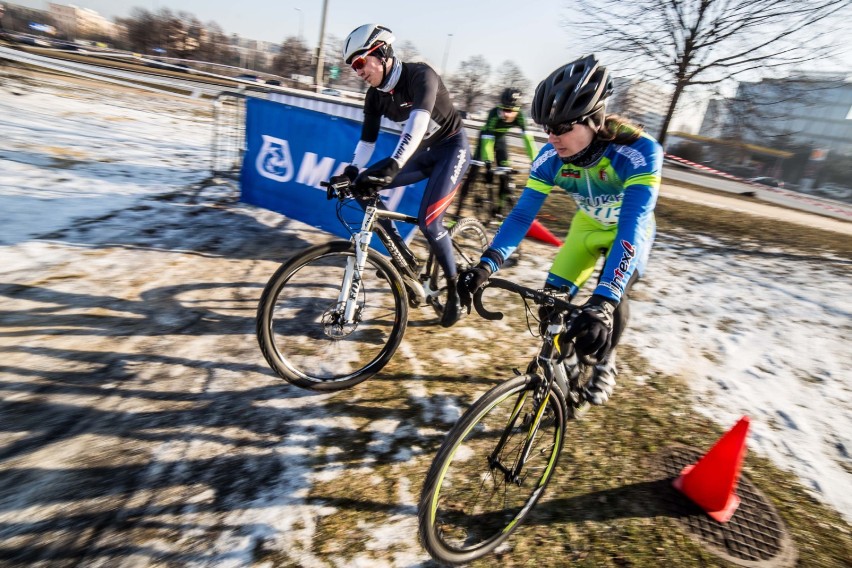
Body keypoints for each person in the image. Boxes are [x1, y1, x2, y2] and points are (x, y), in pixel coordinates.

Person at [457, 55, 663, 405]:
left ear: (593, 120)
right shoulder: (550, 158)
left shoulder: (639, 153)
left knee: (613, 298)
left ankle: (605, 362)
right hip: (586, 227)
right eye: (547, 128)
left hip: (629, 229)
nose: (552, 137)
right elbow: (521, 216)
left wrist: (604, 301)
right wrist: (487, 263)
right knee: (552, 303)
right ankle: (558, 370)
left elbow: (631, 227)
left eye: (563, 127)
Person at [330, 23, 470, 328]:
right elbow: (366, 142)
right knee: (360, 186)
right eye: (352, 67)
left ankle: (456, 290)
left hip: (452, 149)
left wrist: (394, 163)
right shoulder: (375, 96)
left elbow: (417, 125)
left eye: (359, 63)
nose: (357, 72)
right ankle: (403, 256)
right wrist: (352, 171)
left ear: (380, 53)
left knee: (430, 223)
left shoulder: (421, 76)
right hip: (423, 153)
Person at [453, 88, 538, 218]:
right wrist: (488, 164)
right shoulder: (493, 114)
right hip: (485, 139)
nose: (506, 114)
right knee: (473, 175)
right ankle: (456, 214)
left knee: (505, 175)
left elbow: (528, 140)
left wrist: (536, 160)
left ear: (518, 109)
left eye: (510, 111)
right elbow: (487, 141)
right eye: (504, 109)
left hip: (500, 140)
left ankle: (498, 213)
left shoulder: (520, 116)